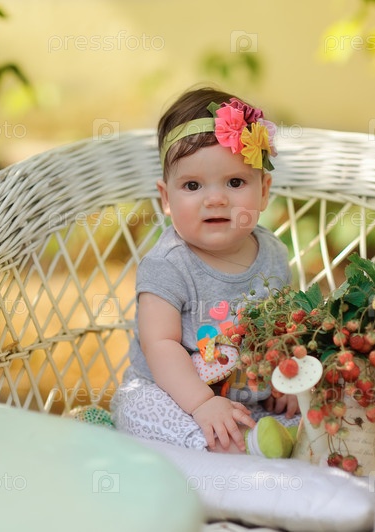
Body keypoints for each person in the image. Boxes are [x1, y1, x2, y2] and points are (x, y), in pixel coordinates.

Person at [111, 87, 299, 458]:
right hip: (176, 398)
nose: (215, 199)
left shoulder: (274, 254)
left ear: (264, 191)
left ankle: (264, 440)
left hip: (249, 401)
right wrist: (202, 404)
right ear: (166, 198)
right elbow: (160, 344)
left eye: (235, 182)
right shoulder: (168, 264)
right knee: (136, 408)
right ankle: (235, 448)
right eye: (193, 186)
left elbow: (285, 329)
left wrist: (287, 380)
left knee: (318, 405)